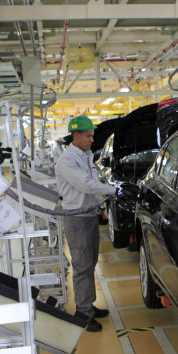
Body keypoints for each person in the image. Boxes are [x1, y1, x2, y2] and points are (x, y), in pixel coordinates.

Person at [55, 115, 117, 332]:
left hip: (89, 216)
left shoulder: (85, 156)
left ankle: (88, 304)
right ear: (76, 135)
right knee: (82, 267)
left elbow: (95, 182)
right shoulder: (67, 161)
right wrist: (114, 190)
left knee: (89, 264)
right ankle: (82, 312)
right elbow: (87, 185)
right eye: (89, 136)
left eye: (93, 136)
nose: (92, 140)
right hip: (76, 219)